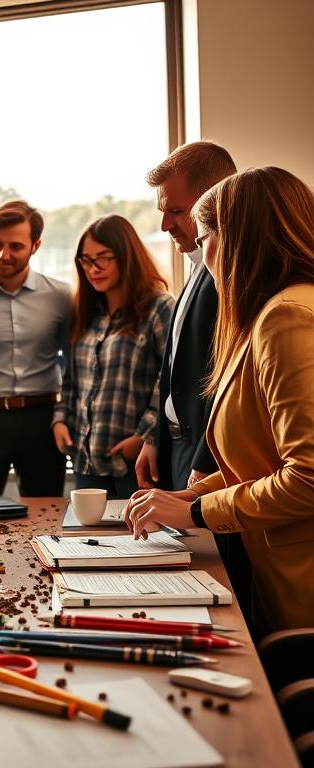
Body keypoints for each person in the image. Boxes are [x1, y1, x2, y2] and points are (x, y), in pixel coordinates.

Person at [125, 167, 314, 632]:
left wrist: (193, 511)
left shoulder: (286, 317)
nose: (201, 249)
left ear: (240, 238)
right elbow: (260, 461)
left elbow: (307, 477)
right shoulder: (271, 312)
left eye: (205, 235)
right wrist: (191, 493)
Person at [136, 141, 236, 493]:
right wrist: (156, 440)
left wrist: (204, 462)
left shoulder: (231, 280)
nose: (165, 225)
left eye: (176, 211)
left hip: (206, 460)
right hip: (177, 450)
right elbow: (178, 369)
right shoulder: (196, 266)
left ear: (213, 202)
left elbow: (228, 383)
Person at [51, 215, 174, 499]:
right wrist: (60, 420)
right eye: (85, 260)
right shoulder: (84, 314)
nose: (93, 269)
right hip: (86, 463)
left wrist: (144, 435)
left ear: (126, 256)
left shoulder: (159, 308)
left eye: (103, 258)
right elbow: (70, 378)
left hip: (137, 463)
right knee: (86, 544)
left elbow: (169, 381)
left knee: (142, 542)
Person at [0, 200, 72, 499]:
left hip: (42, 420)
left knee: (46, 516)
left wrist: (62, 414)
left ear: (36, 246)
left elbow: (74, 364)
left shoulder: (61, 296)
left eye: (16, 246)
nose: (3, 255)